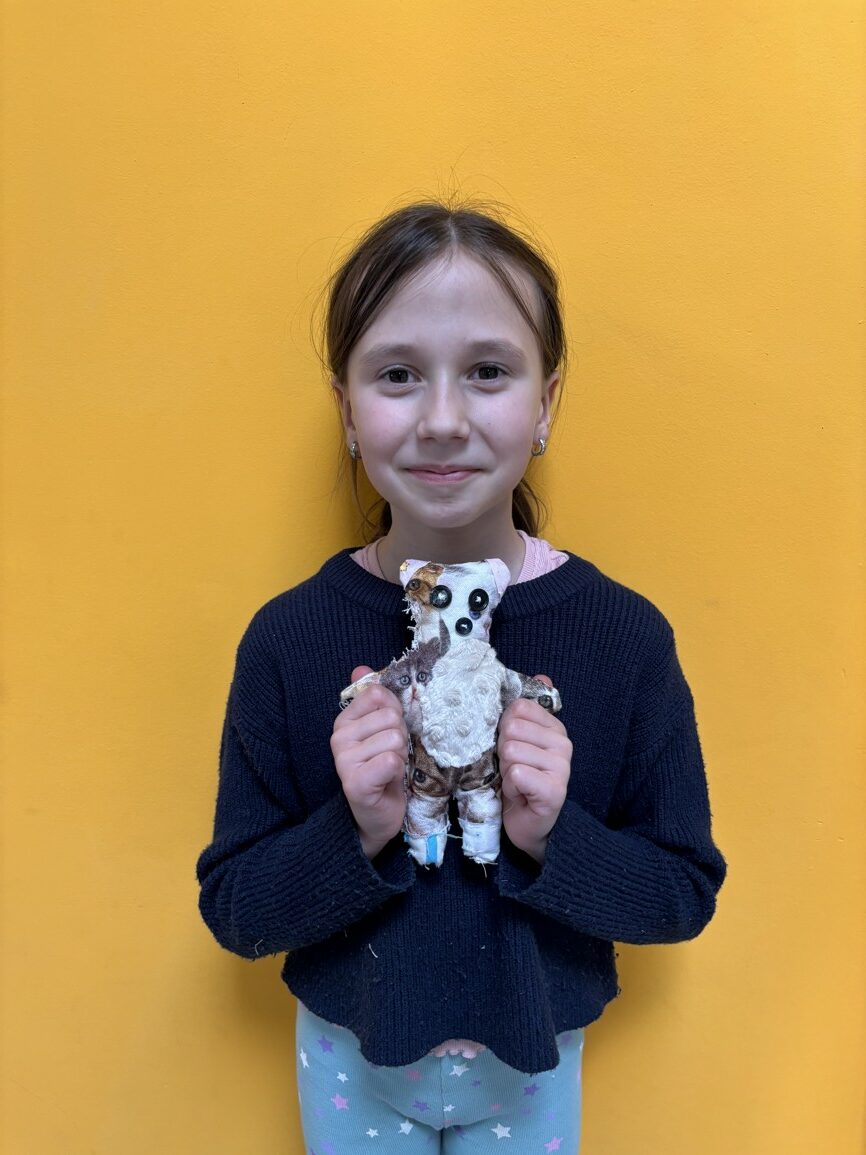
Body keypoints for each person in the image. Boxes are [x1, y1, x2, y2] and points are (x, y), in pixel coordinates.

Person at [195, 198, 728, 1154]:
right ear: (346, 409)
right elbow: (236, 909)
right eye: (398, 375)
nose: (442, 420)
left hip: (533, 1065)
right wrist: (357, 829)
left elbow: (682, 891)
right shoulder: (287, 639)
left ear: (547, 402)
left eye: (488, 371)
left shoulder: (625, 638)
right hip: (349, 1058)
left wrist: (552, 836)